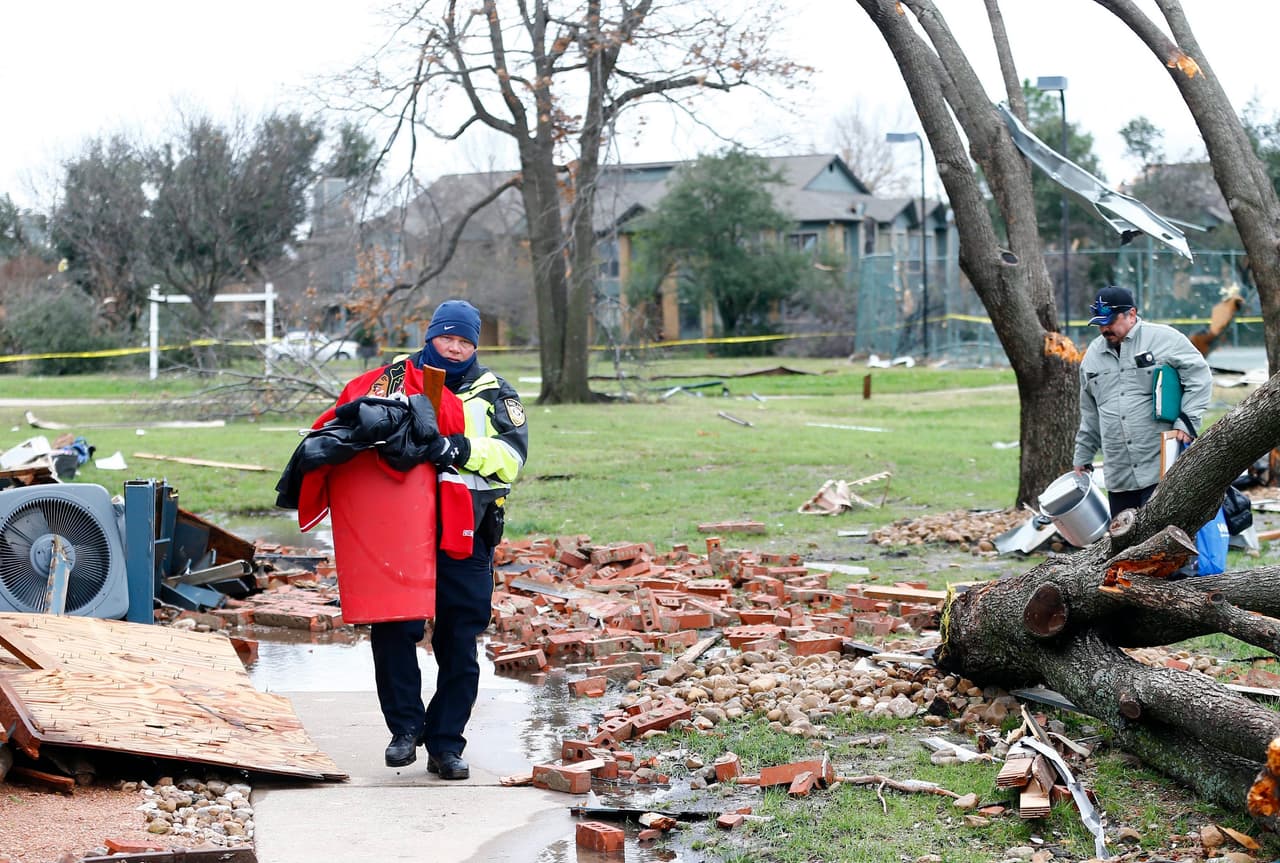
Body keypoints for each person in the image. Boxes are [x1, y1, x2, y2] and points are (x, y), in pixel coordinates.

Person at [371, 299, 528, 780]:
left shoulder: (495, 391)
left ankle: (445, 744)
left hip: (469, 531)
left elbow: (512, 457)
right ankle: (404, 731)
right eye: (447, 338)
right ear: (430, 335)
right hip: (400, 530)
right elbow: (360, 425)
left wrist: (457, 448)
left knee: (459, 642)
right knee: (394, 629)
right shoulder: (396, 378)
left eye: (464, 341)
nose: (455, 348)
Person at [1072, 286, 1212, 517]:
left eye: (1110, 321)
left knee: (1164, 541)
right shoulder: (1091, 359)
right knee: (1126, 543)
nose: (1104, 328)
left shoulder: (1166, 339)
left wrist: (1187, 421)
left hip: (1161, 467)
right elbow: (1090, 413)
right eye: (1100, 323)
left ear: (1132, 314)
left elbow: (1200, 377)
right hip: (1119, 475)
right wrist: (1083, 456)